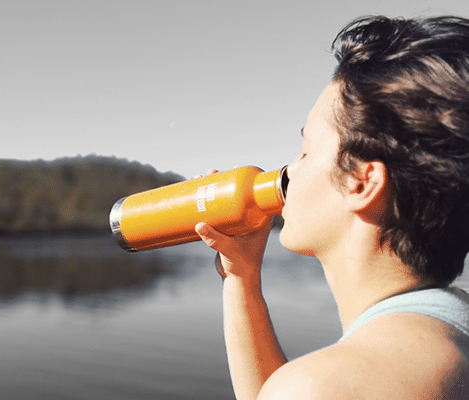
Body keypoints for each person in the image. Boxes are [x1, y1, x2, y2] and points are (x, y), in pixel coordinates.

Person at [195, 15, 469, 399]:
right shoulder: (452, 326)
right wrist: (242, 278)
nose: (288, 171)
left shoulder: (321, 388)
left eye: (306, 151)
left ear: (361, 182)